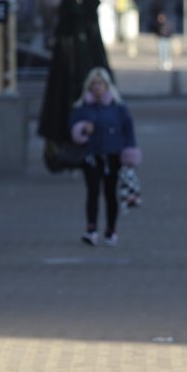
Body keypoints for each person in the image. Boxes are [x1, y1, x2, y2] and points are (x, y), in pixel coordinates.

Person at [69, 67, 141, 247]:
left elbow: (128, 131)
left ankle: (111, 229)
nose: (96, 87)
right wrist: (83, 130)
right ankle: (91, 229)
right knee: (92, 192)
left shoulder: (118, 107)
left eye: (100, 83)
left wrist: (129, 156)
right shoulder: (83, 107)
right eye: (93, 83)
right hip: (92, 156)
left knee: (110, 194)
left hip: (113, 155)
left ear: (107, 85)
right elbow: (73, 128)